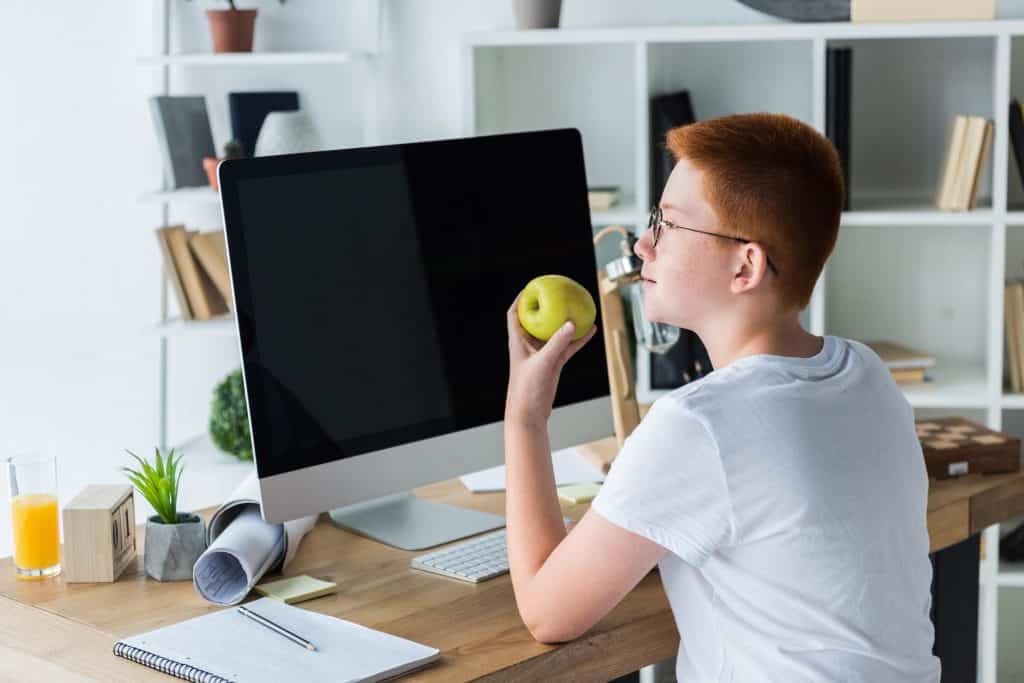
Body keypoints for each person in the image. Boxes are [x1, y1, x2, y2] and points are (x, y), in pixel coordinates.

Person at [503, 112, 941, 681]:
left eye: (667, 225)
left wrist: (526, 417)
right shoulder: (867, 373)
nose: (642, 244)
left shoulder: (698, 424)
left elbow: (547, 612)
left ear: (746, 265)